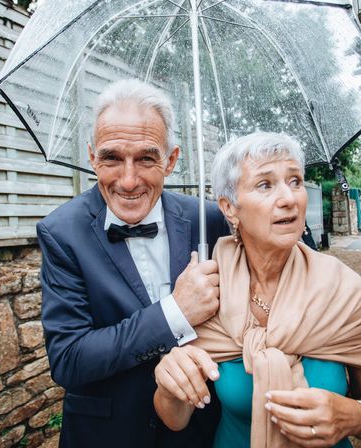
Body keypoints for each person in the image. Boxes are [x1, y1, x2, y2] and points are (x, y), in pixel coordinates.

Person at [153, 132, 361, 447]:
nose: (289, 198)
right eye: (265, 185)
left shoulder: (344, 290)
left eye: (295, 181)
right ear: (229, 208)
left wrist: (356, 416)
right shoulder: (207, 293)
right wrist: (168, 383)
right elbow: (175, 419)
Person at [37, 79, 229, 447]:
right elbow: (69, 359)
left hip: (199, 431)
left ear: (170, 160)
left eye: (146, 157)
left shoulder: (210, 222)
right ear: (92, 157)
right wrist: (176, 312)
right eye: (111, 158)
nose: (128, 180)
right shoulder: (61, 233)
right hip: (106, 434)